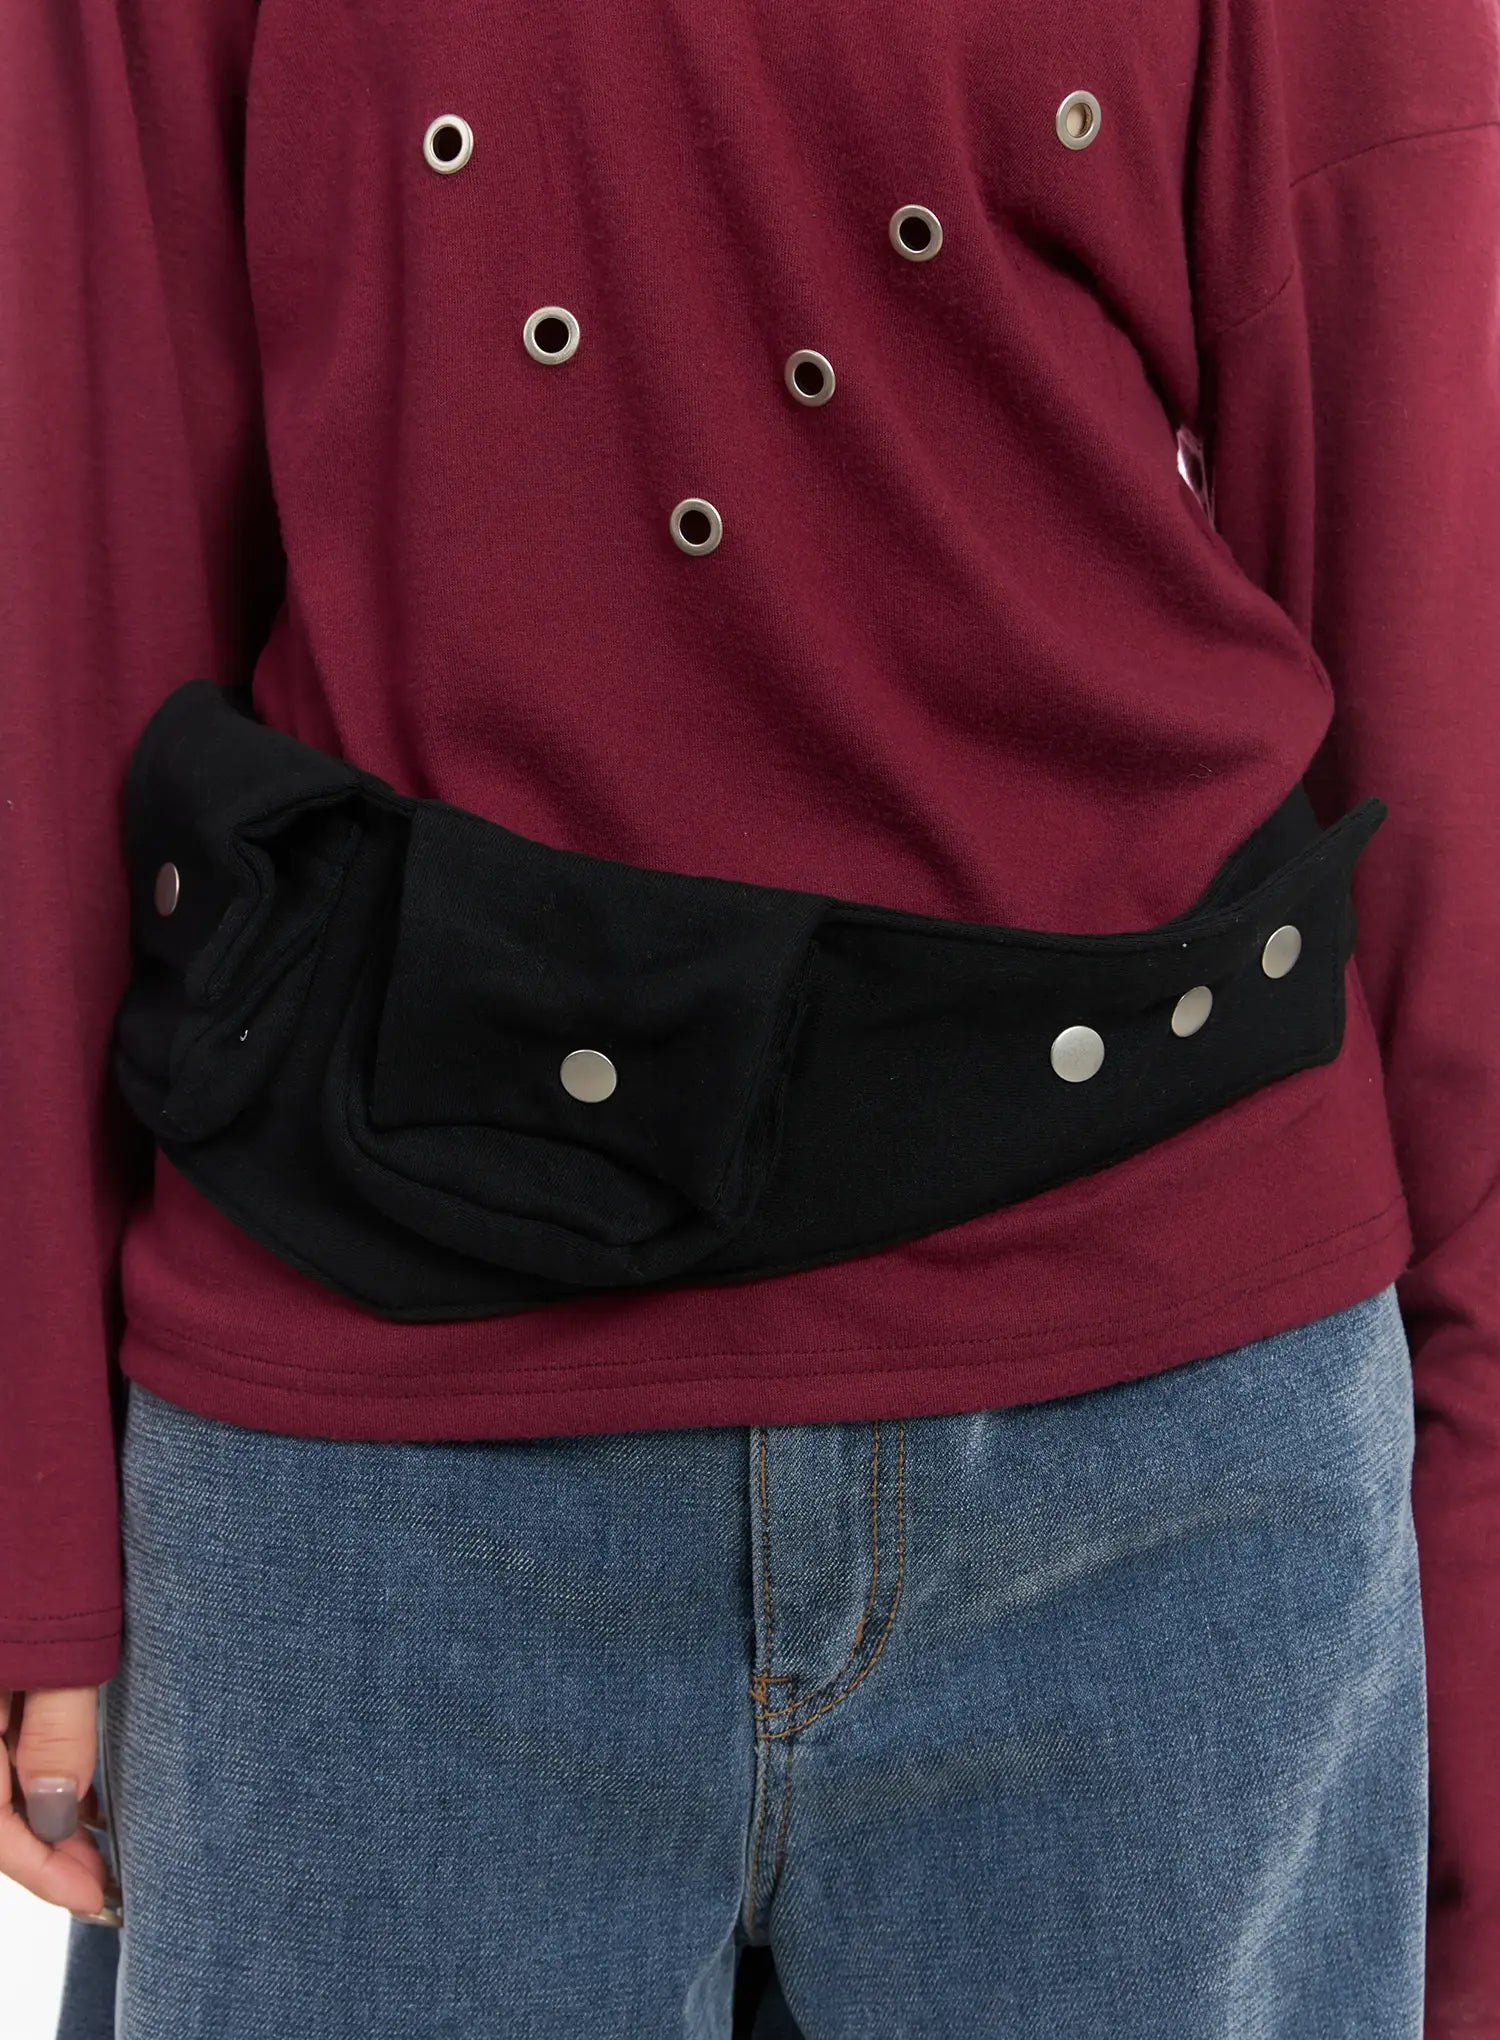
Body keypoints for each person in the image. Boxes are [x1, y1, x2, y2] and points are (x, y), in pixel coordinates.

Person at [2, 1, 1496, 2035]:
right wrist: (31, 1503)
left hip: (1166, 1484)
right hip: (380, 1491)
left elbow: (1432, 617)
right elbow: (77, 541)